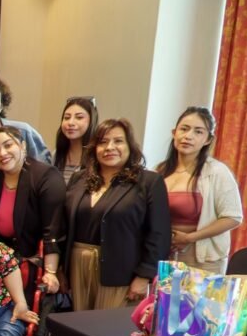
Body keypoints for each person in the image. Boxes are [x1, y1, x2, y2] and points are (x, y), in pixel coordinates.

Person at [64, 118, 170, 311]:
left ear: (130, 146)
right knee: (78, 325)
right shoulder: (79, 179)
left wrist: (144, 276)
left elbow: (159, 234)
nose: (109, 147)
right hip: (77, 267)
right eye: (103, 142)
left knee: (107, 326)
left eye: (118, 141)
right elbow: (64, 223)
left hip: (121, 270)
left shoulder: (148, 182)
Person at [156, 106, 243, 275]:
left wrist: (189, 238)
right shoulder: (160, 171)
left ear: (208, 140)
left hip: (203, 259)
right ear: (174, 133)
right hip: (164, 255)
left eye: (198, 132)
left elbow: (233, 217)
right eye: (184, 129)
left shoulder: (217, 171)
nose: (188, 136)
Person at [0, 125, 66, 294]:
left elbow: (53, 229)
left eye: (8, 145)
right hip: (1, 266)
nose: (2, 153)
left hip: (35, 267)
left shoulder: (46, 176)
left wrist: (50, 272)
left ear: (23, 146)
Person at [53, 96, 98, 184]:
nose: (70, 123)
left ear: (91, 122)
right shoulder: (55, 155)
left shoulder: (97, 156)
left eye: (79, 117)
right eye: (67, 118)